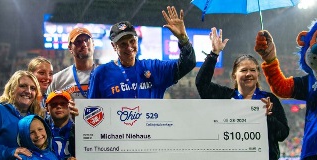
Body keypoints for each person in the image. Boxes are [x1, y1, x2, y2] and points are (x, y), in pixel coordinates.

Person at [195, 27, 289, 160]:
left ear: (258, 74)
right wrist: (214, 54)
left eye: (252, 70)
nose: (249, 74)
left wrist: (267, 117)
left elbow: (283, 134)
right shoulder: (225, 97)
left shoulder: (268, 99)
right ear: (234, 75)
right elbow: (201, 84)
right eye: (243, 70)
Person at [88, 6, 196, 98]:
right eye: (123, 44)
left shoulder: (154, 68)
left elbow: (188, 63)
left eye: (132, 41)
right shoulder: (101, 74)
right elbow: (92, 111)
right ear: (114, 46)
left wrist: (184, 39)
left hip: (153, 123)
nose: (129, 47)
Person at [0, 70, 44, 160]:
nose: (28, 91)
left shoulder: (34, 116)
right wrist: (10, 152)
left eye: (33, 88)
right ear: (12, 88)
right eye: (22, 86)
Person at [48, 27, 96, 99]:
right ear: (70, 48)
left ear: (93, 44)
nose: (84, 44)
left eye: (86, 40)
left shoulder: (106, 74)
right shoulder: (57, 80)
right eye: (78, 42)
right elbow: (48, 107)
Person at [45, 90, 76, 160]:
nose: (59, 106)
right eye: (54, 104)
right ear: (47, 108)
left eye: (63, 103)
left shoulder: (78, 130)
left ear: (70, 106)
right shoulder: (43, 130)